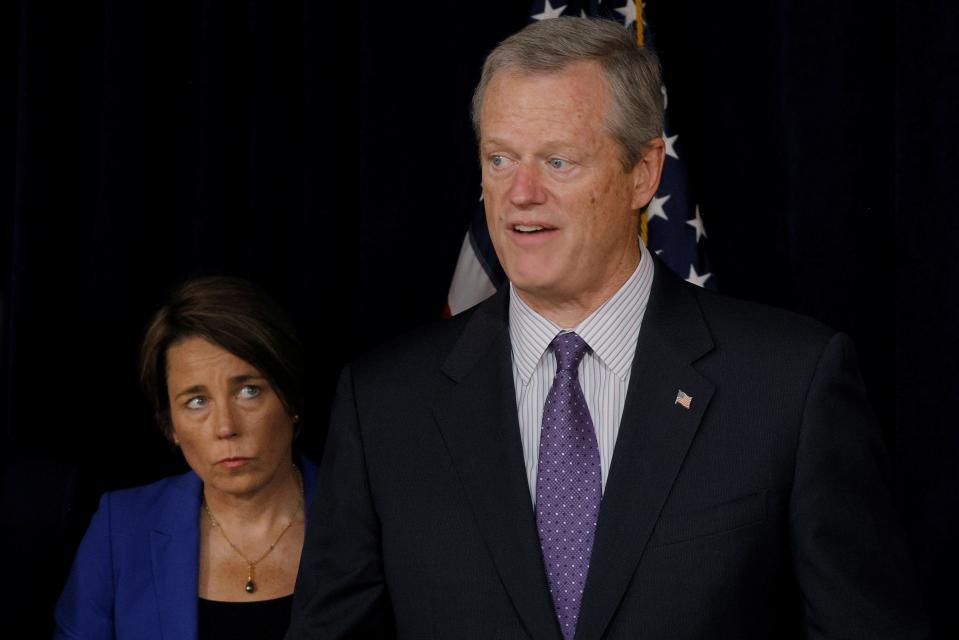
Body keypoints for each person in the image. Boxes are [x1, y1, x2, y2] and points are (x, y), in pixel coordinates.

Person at [288, 17, 928, 639]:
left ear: (643, 173)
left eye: (559, 161)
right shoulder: (383, 406)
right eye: (501, 158)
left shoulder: (791, 385)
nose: (520, 193)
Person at [55, 276, 318, 640]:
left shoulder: (360, 521)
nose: (225, 426)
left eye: (248, 390)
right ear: (171, 427)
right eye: (197, 401)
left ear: (290, 400)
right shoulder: (122, 530)